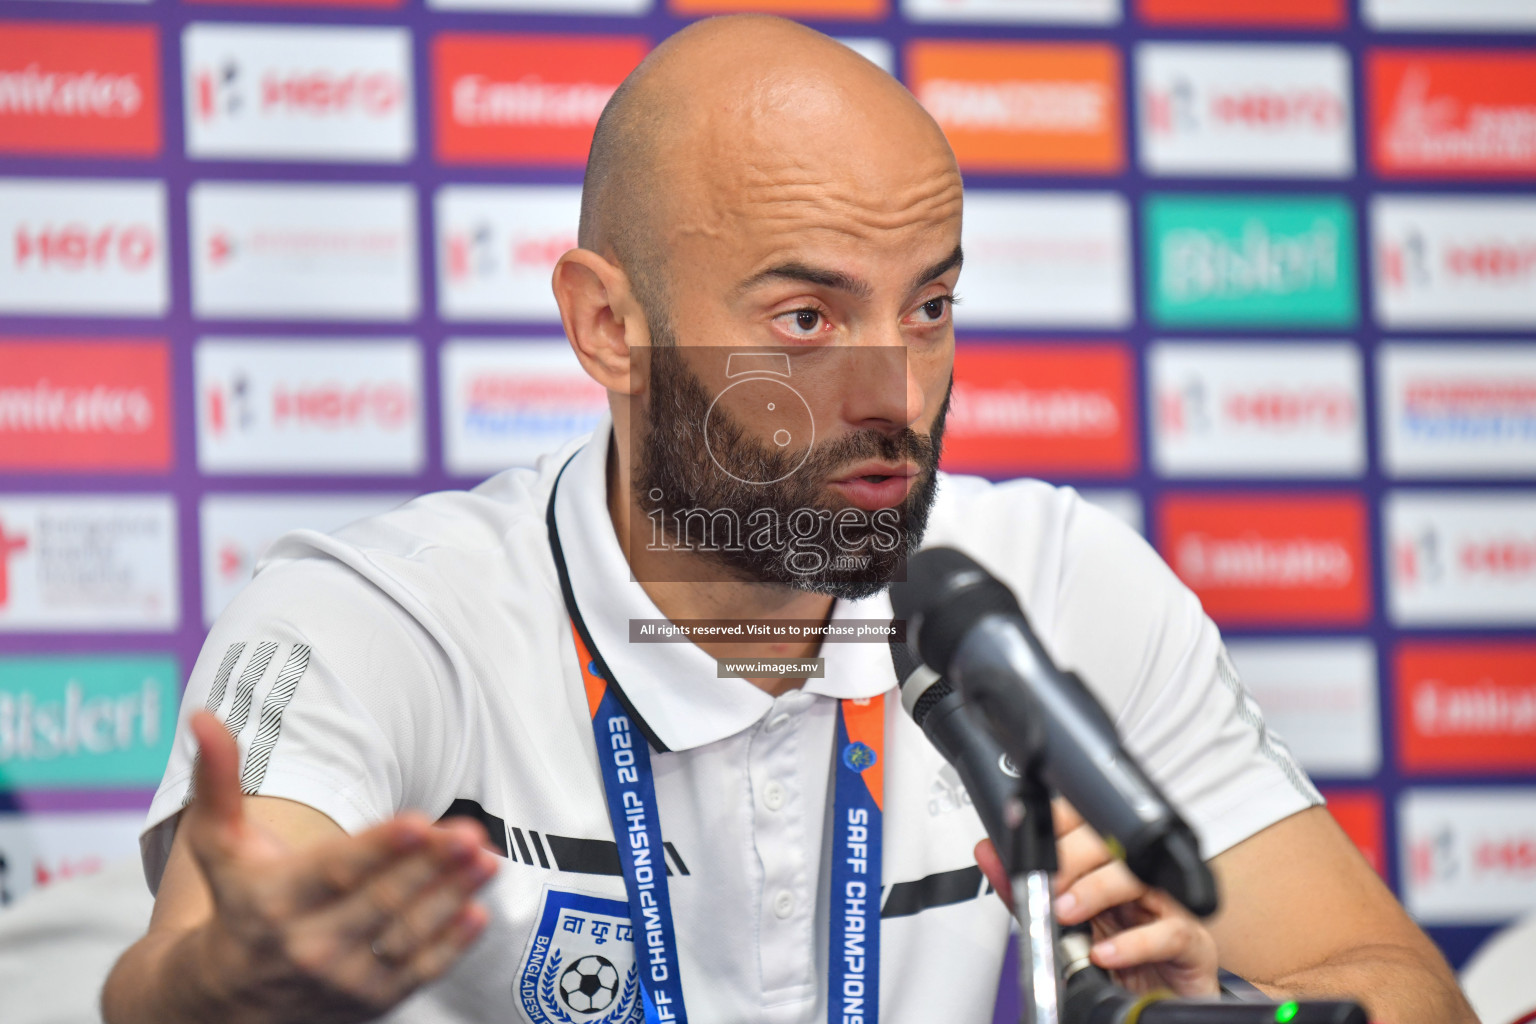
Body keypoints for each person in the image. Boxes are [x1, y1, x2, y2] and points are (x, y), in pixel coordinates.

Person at [103, 15, 1475, 1024]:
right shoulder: (386, 619)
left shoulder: (1045, 592)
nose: (894, 395)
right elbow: (183, 973)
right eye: (807, 319)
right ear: (607, 326)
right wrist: (234, 982)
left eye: (929, 306)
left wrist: (1234, 1008)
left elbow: (1405, 993)